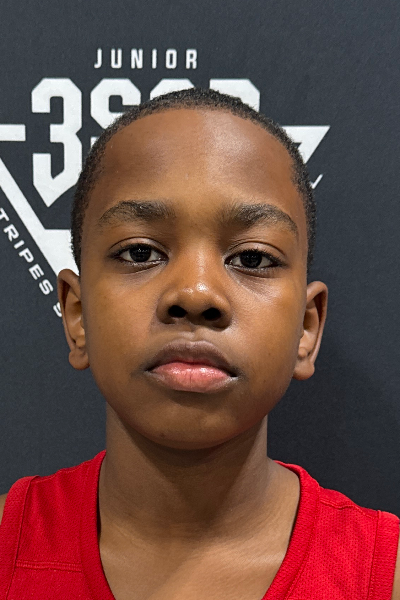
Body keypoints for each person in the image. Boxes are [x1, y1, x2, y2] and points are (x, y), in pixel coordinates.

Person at [0, 88, 398, 599]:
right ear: (77, 315)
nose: (195, 293)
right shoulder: (10, 549)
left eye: (252, 259)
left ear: (306, 328)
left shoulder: (384, 576)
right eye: (139, 252)